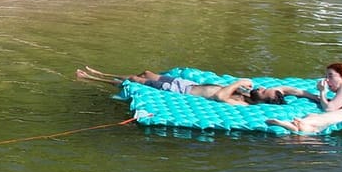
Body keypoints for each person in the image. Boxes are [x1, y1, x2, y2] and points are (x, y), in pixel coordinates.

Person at [265, 62, 342, 134]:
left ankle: (297, 124)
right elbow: (323, 102)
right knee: (313, 116)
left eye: (330, 76)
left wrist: (323, 92)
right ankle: (302, 128)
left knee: (324, 118)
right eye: (326, 76)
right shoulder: (341, 92)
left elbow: (329, 108)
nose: (327, 80)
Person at [74, 65, 259, 104]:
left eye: (268, 93)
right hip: (186, 83)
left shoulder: (242, 102)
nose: (263, 89)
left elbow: (220, 96)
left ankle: (91, 78)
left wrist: (239, 82)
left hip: (179, 91)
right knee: (146, 73)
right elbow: (287, 90)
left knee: (135, 81)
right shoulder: (245, 93)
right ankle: (104, 71)